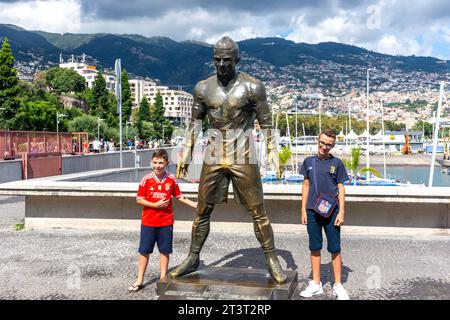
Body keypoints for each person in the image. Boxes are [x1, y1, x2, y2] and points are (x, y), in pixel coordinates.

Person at [171, 36, 287, 284]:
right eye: (217, 60)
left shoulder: (253, 87)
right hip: (214, 152)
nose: (221, 64)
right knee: (202, 210)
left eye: (226, 60)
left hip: (243, 151)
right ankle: (193, 257)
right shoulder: (202, 88)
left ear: (237, 59)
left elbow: (266, 123)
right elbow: (195, 124)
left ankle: (271, 258)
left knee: (258, 211)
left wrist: (273, 151)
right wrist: (186, 152)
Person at [128, 149, 197, 292]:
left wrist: (194, 204)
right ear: (151, 162)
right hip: (148, 222)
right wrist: (155, 205)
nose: (157, 165)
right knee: (144, 251)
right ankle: (140, 279)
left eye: (161, 163)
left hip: (166, 221)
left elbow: (179, 196)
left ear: (166, 163)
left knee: (164, 251)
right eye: (155, 162)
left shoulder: (171, 179)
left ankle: (163, 278)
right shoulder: (146, 179)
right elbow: (139, 199)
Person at [299, 128, 350, 300]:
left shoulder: (337, 164)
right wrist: (303, 210)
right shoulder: (308, 162)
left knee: (335, 248)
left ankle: (338, 285)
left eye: (329, 145)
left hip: (332, 212)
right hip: (313, 211)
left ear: (333, 145)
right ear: (317, 141)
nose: (324, 147)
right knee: (314, 247)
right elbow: (306, 186)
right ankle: (316, 283)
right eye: (322, 143)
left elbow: (341, 188)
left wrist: (341, 211)